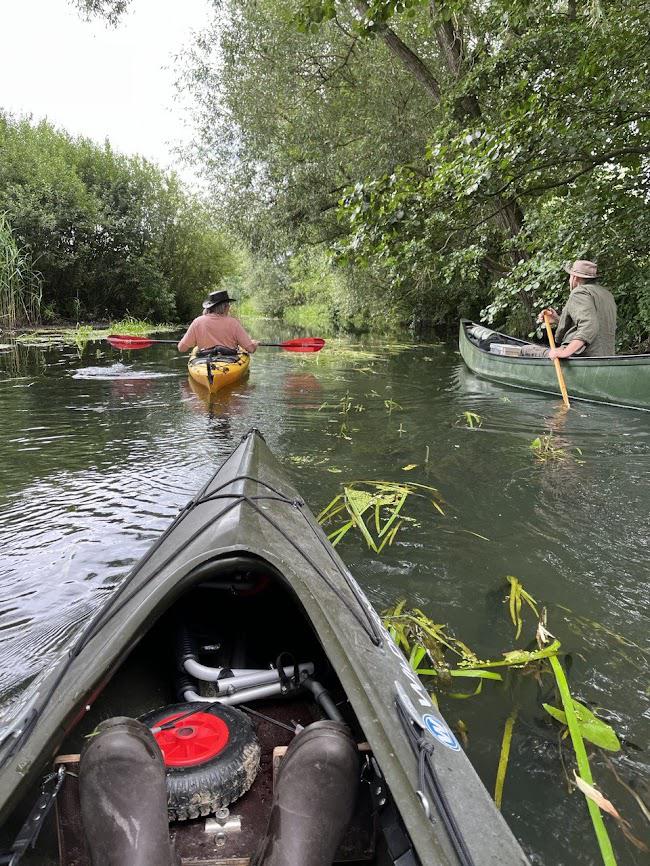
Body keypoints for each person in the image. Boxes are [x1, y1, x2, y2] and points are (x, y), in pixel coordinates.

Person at [536, 260, 616, 359]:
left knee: (526, 350)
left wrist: (565, 353)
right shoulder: (606, 294)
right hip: (606, 356)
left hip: (583, 355)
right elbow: (593, 322)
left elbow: (589, 326)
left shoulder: (579, 293)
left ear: (575, 278)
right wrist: (557, 319)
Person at [177, 289, 259, 355]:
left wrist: (195, 341)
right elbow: (250, 349)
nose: (229, 307)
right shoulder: (233, 323)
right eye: (228, 305)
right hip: (229, 363)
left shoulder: (197, 321)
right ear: (225, 307)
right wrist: (254, 344)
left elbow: (181, 348)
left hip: (204, 362)